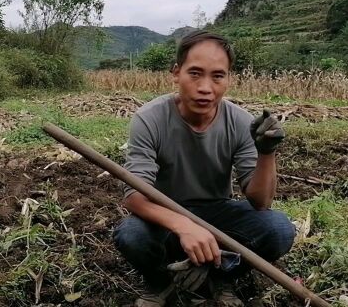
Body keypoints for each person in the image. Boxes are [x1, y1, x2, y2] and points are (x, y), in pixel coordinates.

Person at [112, 30, 296, 307]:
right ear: (176, 73)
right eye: (195, 73)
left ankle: (222, 276)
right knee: (131, 235)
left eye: (217, 76)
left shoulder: (240, 122)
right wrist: (183, 224)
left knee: (278, 229)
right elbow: (134, 196)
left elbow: (260, 201)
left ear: (229, 79)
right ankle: (160, 283)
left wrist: (266, 153)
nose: (205, 87)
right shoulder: (150, 119)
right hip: (164, 218)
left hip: (218, 213)